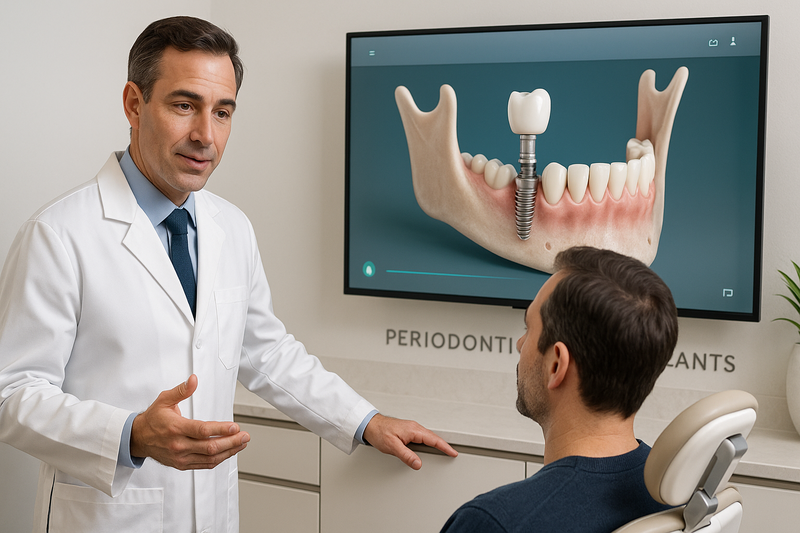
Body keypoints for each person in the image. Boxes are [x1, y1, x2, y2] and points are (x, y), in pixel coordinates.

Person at [0, 16, 456, 533]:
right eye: (183, 105)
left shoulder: (230, 227)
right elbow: (12, 394)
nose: (205, 136)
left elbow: (264, 350)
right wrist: (130, 435)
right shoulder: (58, 234)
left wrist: (364, 419)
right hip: (107, 518)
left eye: (222, 112)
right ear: (133, 103)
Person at [440, 246, 679, 532]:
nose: (520, 344)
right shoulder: (678, 499)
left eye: (529, 328)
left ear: (556, 365)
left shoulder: (496, 522)